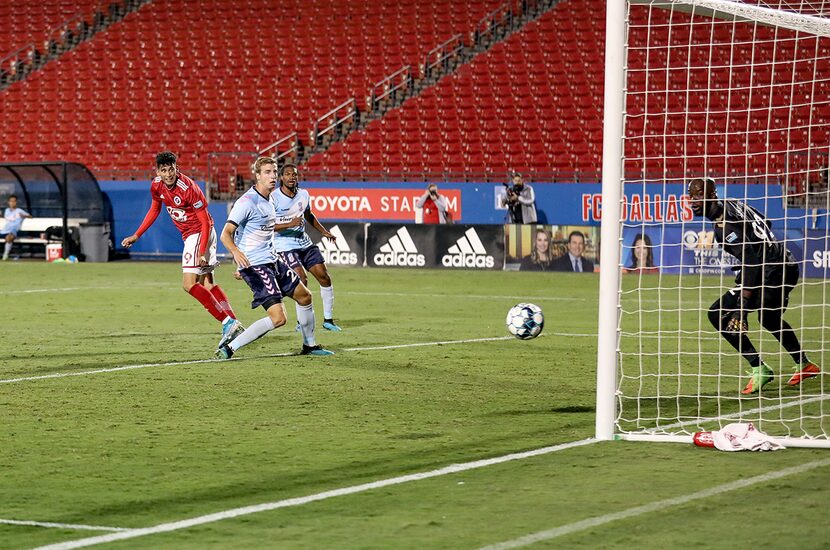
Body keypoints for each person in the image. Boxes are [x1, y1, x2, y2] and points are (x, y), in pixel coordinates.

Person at [687, 177, 819, 394]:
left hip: (772, 273)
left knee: (718, 313)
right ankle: (804, 364)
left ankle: (760, 369)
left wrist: (742, 308)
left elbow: (751, 262)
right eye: (690, 196)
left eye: (697, 196)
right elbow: (765, 223)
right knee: (769, 318)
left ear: (711, 196)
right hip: (784, 264)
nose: (692, 201)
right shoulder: (733, 203)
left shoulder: (724, 226)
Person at [121, 151, 243, 346]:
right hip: (197, 235)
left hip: (198, 234)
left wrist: (201, 251)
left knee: (189, 284)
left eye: (171, 169)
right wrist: (137, 235)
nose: (168, 174)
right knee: (208, 284)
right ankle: (233, 322)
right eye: (164, 170)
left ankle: (227, 322)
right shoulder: (156, 185)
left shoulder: (189, 188)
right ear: (157, 171)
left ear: (177, 168)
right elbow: (154, 209)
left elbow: (203, 222)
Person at [216, 157, 332, 358]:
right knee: (279, 318)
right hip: (257, 266)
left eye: (274, 172)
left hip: (272, 261)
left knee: (305, 296)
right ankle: (229, 347)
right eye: (268, 172)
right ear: (258, 175)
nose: (272, 176)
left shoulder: (270, 200)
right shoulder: (246, 202)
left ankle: (310, 346)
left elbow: (257, 234)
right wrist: (237, 255)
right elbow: (226, 234)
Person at [271, 162, 342, 332]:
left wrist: (324, 232)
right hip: (284, 245)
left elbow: (309, 215)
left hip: (304, 242)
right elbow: (268, 225)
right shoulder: (273, 198)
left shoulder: (304, 194)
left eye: (294, 174)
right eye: (287, 174)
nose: (291, 177)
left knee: (324, 277)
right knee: (301, 280)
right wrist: (289, 223)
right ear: (281, 178)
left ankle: (328, 320)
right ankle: (301, 322)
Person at [1, 195, 31, 261]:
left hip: (13, 230)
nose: (12, 203)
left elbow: (30, 216)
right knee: (7, 236)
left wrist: (24, 216)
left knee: (9, 237)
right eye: (11, 201)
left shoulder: (19, 210)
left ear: (16, 202)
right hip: (4, 230)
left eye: (14, 201)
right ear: (8, 202)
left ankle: (5, 255)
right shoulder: (7, 210)